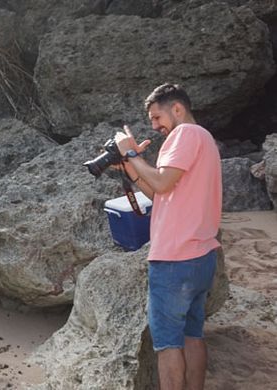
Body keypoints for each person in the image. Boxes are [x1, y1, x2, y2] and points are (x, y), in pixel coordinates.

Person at [115, 83, 222, 390]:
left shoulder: (186, 134)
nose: (155, 126)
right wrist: (131, 165)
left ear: (177, 109)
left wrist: (132, 152)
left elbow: (161, 184)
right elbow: (159, 192)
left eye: (157, 117)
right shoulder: (204, 139)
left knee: (167, 344)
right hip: (201, 256)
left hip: (175, 259)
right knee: (192, 335)